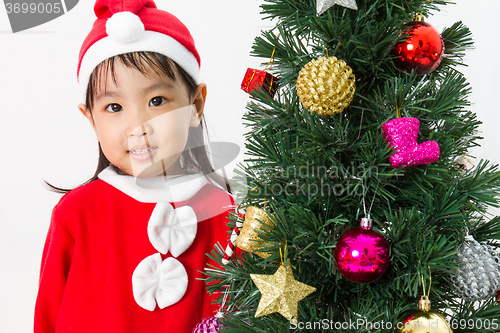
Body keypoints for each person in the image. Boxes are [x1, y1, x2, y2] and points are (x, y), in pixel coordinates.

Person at [34, 0, 235, 332]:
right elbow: (47, 317)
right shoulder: (75, 214)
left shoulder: (225, 214)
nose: (138, 126)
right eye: (114, 107)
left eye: (157, 101)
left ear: (195, 105)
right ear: (91, 120)